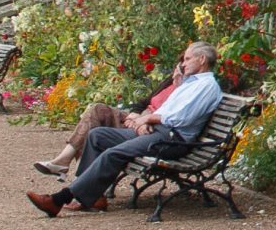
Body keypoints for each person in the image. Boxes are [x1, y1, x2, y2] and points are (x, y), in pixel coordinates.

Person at [28, 41, 223, 216]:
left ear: (202, 59)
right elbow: (166, 110)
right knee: (97, 135)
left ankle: (59, 199)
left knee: (113, 153)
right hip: (160, 132)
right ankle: (91, 195)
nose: (183, 63)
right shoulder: (191, 83)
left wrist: (146, 120)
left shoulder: (206, 86)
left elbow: (180, 118)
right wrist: (146, 120)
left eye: (188, 59)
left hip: (172, 139)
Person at [33, 75, 186, 179]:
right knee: (97, 110)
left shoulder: (189, 89)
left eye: (186, 61)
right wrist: (135, 113)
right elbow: (145, 101)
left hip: (151, 127)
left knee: (96, 132)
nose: (181, 66)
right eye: (181, 61)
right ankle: (65, 161)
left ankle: (68, 168)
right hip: (140, 119)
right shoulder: (171, 81)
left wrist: (145, 120)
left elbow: (171, 115)